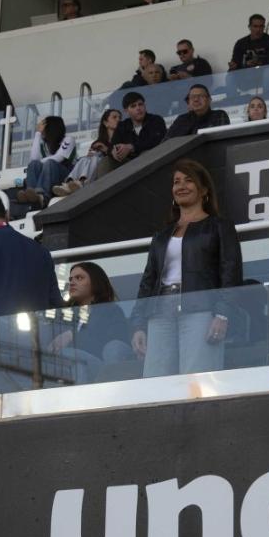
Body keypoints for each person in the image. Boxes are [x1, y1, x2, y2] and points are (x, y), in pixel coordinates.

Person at [130, 160, 242, 376]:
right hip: (160, 312)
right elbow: (148, 281)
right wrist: (138, 325)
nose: (181, 186)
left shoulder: (219, 227)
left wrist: (223, 314)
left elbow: (231, 273)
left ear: (204, 190)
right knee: (156, 382)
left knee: (196, 380)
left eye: (189, 181)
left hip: (200, 309)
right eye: (176, 182)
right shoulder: (161, 236)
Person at [47, 263, 134, 377]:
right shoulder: (66, 315)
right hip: (71, 371)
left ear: (95, 282)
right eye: (71, 279)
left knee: (69, 355)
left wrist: (72, 336)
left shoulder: (112, 311)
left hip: (102, 369)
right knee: (75, 364)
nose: (72, 283)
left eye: (79, 278)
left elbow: (113, 346)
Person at [54, 109, 120, 196]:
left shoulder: (121, 139)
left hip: (107, 167)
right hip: (94, 168)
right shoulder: (98, 142)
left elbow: (118, 155)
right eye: (114, 117)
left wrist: (105, 149)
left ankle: (81, 182)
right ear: (105, 123)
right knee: (84, 159)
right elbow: (90, 157)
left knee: (95, 158)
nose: (118, 119)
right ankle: (69, 183)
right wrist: (90, 154)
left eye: (120, 118)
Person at [17, 115, 75, 208]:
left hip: (65, 178)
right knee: (34, 164)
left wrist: (41, 161)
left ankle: (42, 196)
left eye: (44, 127)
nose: (42, 130)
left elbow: (58, 158)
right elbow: (33, 159)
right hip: (47, 180)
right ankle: (31, 195)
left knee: (50, 163)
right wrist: (37, 134)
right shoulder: (44, 144)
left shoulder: (68, 140)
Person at [108, 91, 167, 169]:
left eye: (140, 104)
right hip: (129, 164)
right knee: (106, 161)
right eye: (133, 106)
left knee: (145, 154)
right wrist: (113, 151)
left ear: (145, 105)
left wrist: (131, 147)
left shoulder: (156, 120)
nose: (138, 108)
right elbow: (112, 145)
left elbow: (156, 140)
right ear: (126, 111)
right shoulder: (122, 126)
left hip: (154, 160)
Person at [165, 84, 229, 138]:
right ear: (188, 102)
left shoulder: (219, 115)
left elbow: (220, 138)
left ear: (209, 100)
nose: (196, 99)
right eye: (192, 97)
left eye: (200, 96)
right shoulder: (181, 119)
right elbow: (167, 142)